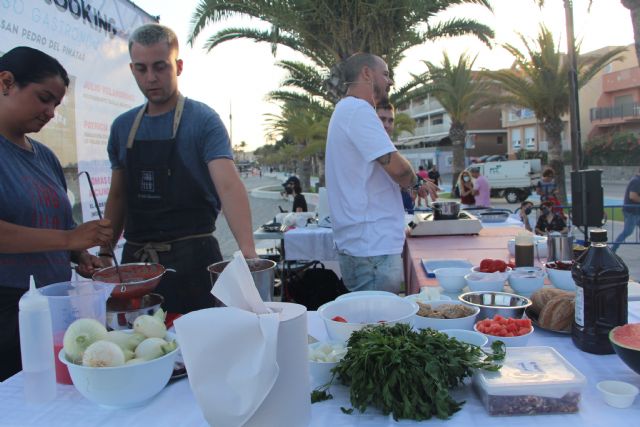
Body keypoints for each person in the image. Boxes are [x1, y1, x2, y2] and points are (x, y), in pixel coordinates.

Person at [101, 24, 257, 314]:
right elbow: (118, 197)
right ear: (132, 69)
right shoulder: (122, 127)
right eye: (141, 69)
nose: (151, 78)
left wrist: (248, 252)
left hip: (194, 260)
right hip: (136, 265)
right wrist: (105, 250)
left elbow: (228, 186)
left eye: (160, 67)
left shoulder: (203, 120)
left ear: (179, 66)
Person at [0, 47, 113, 381]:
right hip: (9, 311)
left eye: (56, 105)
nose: (50, 112)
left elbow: (58, 221)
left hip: (55, 304)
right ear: (6, 82)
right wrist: (69, 238)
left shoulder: (45, 156)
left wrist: (79, 251)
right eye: (43, 98)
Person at [325, 52, 437, 293]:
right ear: (366, 73)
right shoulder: (358, 110)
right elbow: (397, 167)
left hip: (367, 248)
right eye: (385, 74)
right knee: (377, 325)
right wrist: (416, 182)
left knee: (371, 324)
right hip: (371, 249)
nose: (390, 81)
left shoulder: (347, 111)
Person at [376, 101, 414, 214]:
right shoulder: (374, 143)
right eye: (382, 119)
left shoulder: (387, 145)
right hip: (376, 221)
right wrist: (418, 184)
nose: (387, 125)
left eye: (390, 120)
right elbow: (400, 171)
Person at [612, 167, 640, 253]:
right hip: (632, 212)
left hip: (636, 211)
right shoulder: (637, 181)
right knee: (627, 232)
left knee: (627, 232)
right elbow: (633, 196)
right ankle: (612, 250)